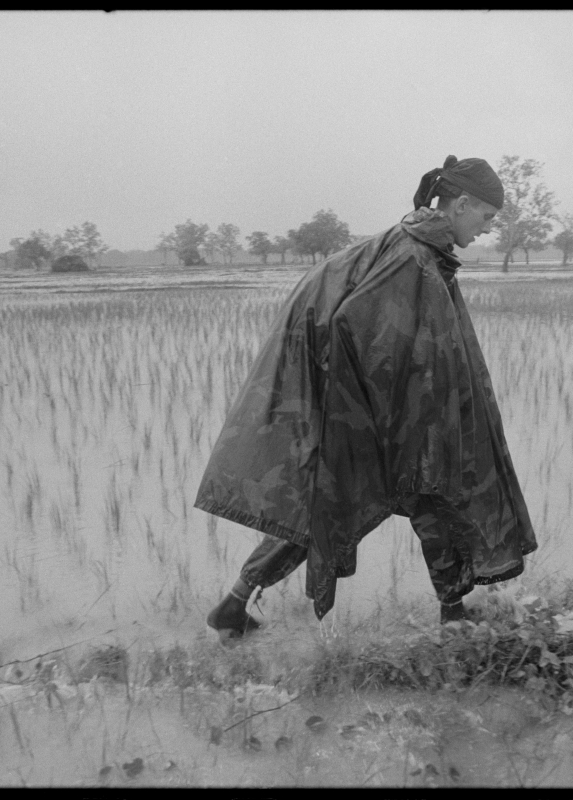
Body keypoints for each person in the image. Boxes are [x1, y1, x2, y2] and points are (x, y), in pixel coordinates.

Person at [195, 155, 537, 638]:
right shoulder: (411, 256)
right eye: (486, 218)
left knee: (389, 499)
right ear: (461, 204)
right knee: (383, 498)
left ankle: (236, 603)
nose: (486, 231)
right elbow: (352, 324)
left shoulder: (415, 245)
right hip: (361, 409)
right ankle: (453, 615)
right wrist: (385, 410)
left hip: (369, 406)